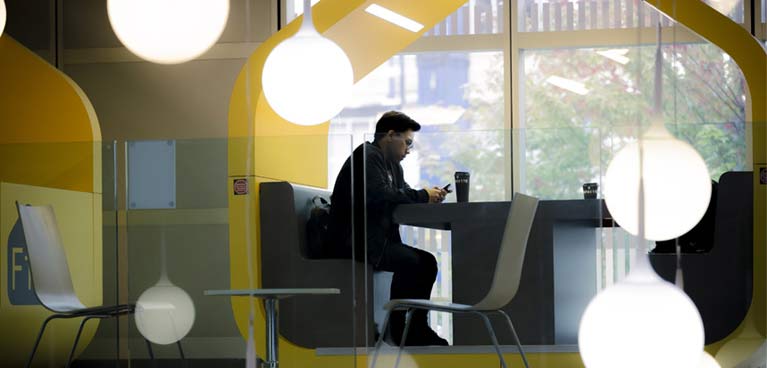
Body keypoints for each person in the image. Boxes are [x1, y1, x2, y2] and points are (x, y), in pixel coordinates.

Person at [327, 111, 449, 346]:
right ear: (391, 135)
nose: (409, 149)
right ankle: (403, 328)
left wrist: (428, 195)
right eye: (407, 142)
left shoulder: (393, 166)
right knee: (419, 263)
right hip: (356, 241)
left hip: (378, 240)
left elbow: (400, 193)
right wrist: (423, 194)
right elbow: (382, 194)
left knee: (425, 262)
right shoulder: (367, 156)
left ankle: (411, 327)